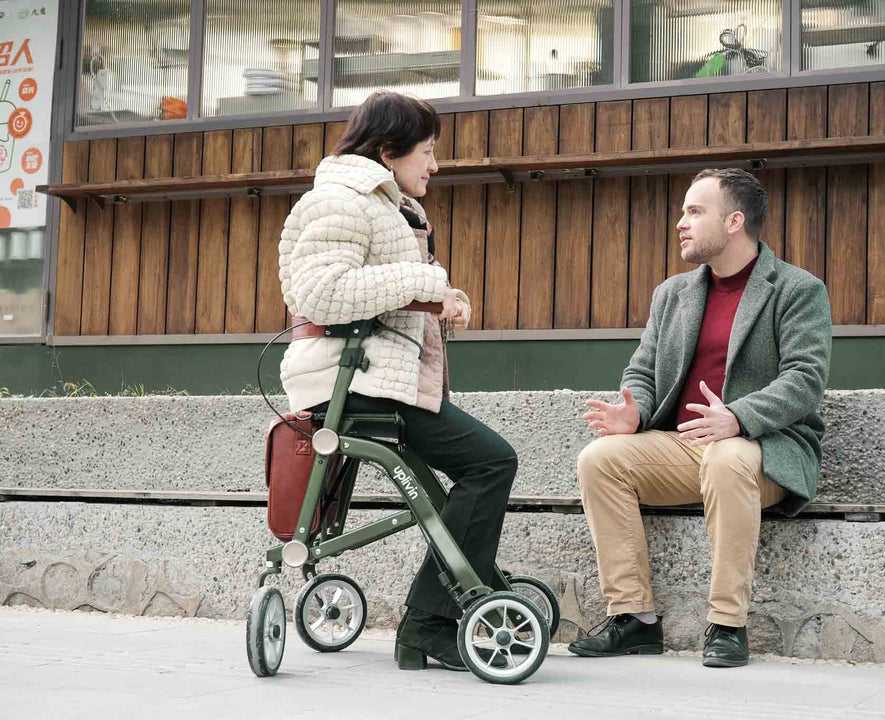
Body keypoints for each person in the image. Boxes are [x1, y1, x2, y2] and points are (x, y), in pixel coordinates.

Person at [277, 91, 517, 672]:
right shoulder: (339, 201)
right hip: (354, 385)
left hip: (378, 381)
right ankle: (429, 622)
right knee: (490, 463)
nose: (434, 165)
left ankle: (455, 601)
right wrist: (428, 282)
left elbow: (377, 290)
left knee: (468, 474)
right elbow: (319, 293)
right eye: (428, 152)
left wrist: (437, 299)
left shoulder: (385, 204)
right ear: (389, 151)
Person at [569, 168, 831, 668]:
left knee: (728, 459)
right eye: (683, 211)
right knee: (600, 459)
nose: (680, 223)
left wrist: (737, 417)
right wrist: (636, 411)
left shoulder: (797, 289)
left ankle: (728, 624)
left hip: (763, 449)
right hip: (684, 445)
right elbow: (641, 369)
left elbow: (805, 378)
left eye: (694, 211)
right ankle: (634, 620)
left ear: (734, 221)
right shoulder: (673, 293)